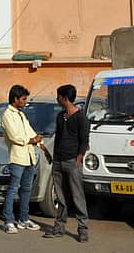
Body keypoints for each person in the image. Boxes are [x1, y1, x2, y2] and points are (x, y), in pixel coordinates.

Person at [43, 84, 89, 243]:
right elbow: (59, 139)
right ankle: (59, 227)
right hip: (59, 161)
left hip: (72, 162)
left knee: (77, 197)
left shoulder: (81, 117)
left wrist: (78, 160)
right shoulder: (60, 116)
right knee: (61, 197)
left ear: (65, 98)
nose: (57, 99)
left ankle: (83, 229)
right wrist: (53, 158)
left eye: (59, 96)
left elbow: (84, 141)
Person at [1, 84, 46, 234]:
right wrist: (32, 140)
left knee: (26, 190)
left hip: (29, 157)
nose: (25, 101)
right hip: (17, 158)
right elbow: (15, 137)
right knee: (13, 190)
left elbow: (30, 131)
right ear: (16, 99)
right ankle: (8, 220)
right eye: (23, 99)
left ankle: (24, 219)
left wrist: (40, 143)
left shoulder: (21, 114)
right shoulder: (8, 115)